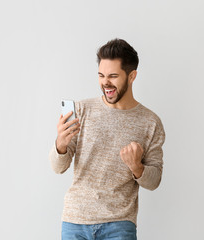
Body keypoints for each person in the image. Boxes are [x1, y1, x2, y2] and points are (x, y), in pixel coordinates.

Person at [49, 38, 166, 240]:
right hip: (76, 220)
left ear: (132, 76)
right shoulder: (81, 110)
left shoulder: (150, 122)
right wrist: (60, 145)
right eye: (101, 75)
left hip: (119, 225)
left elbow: (154, 180)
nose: (105, 83)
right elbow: (58, 167)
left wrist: (137, 167)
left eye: (113, 76)